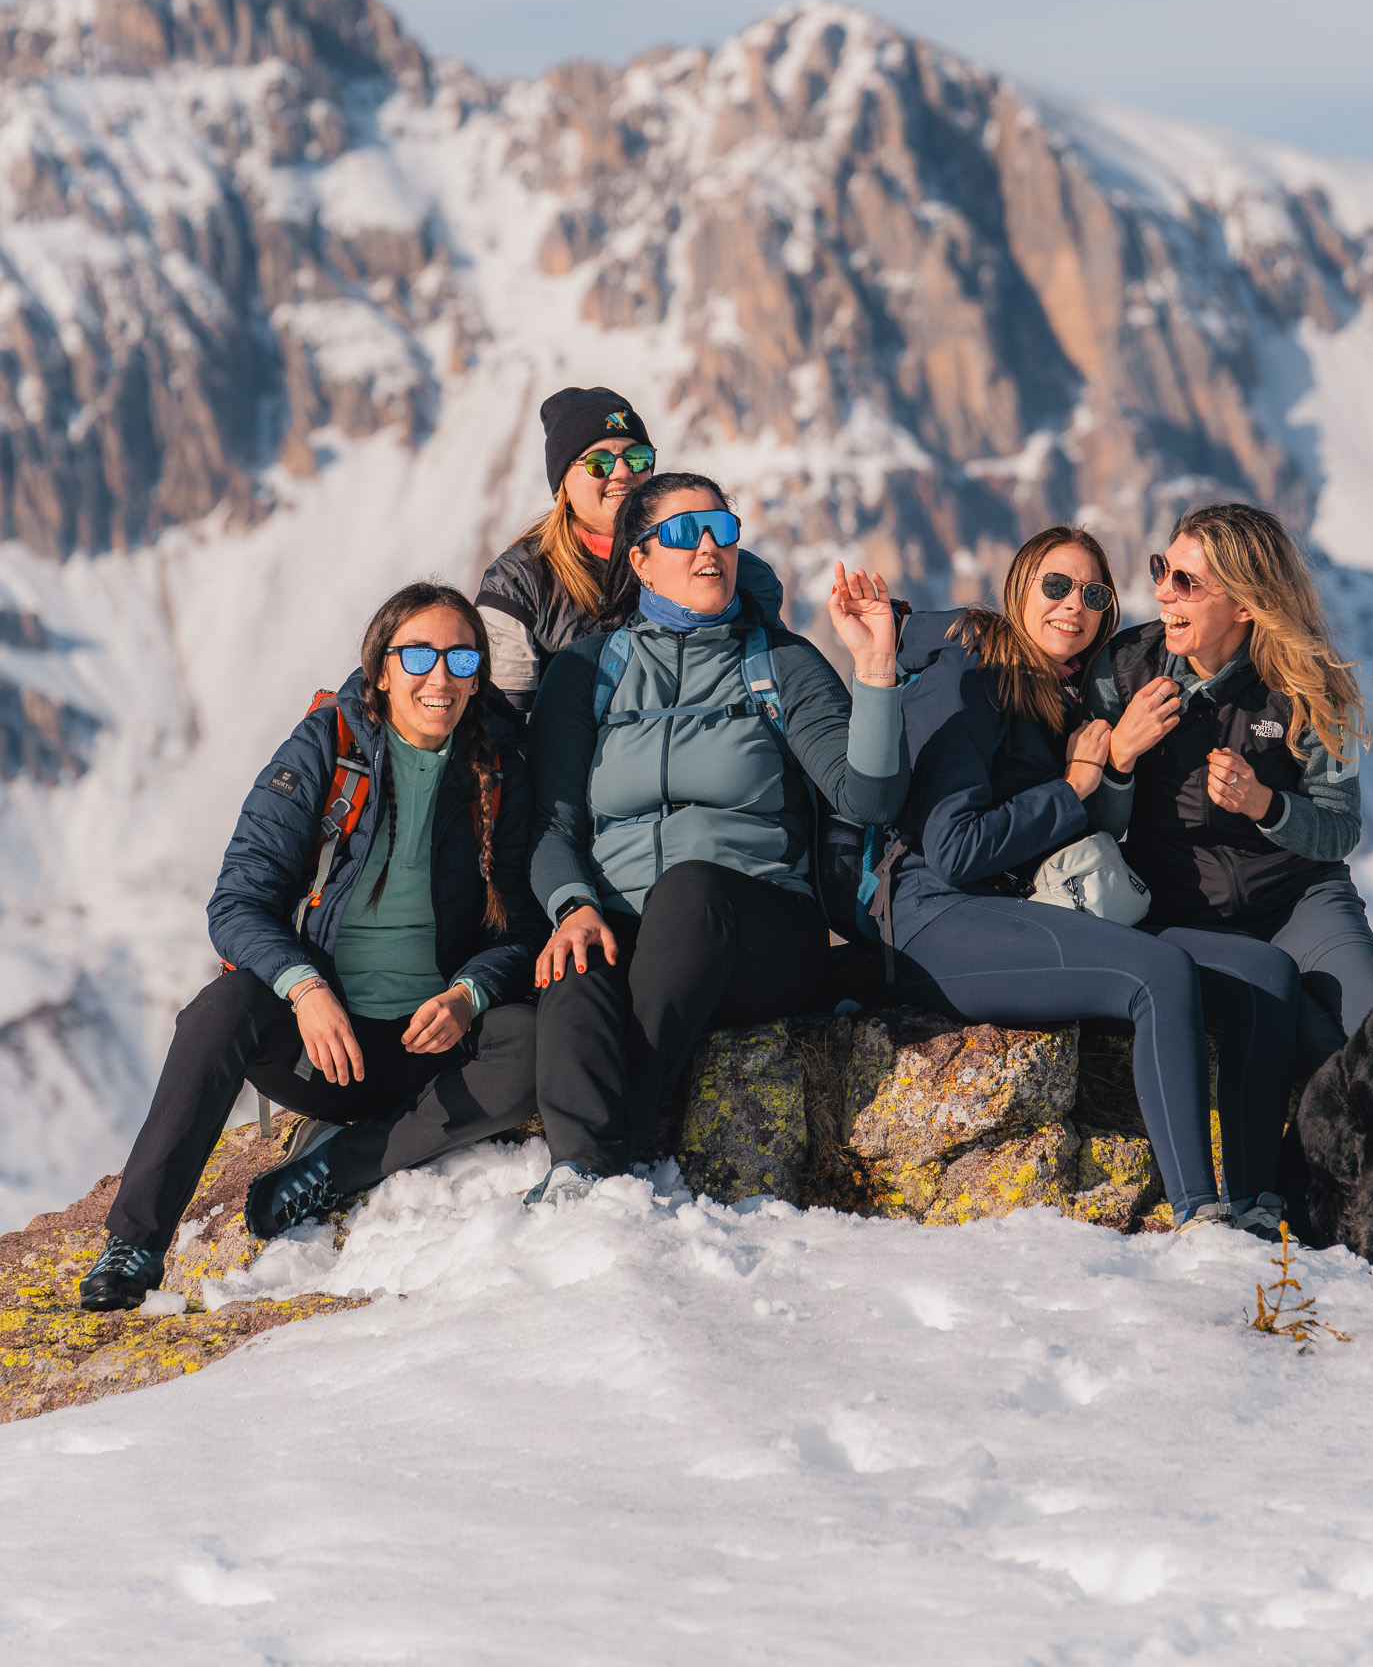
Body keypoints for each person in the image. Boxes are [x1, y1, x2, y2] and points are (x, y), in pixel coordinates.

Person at [1084, 499, 1373, 1266]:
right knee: (1329, 1054)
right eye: (1162, 570)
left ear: (1246, 601)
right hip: (1179, 910)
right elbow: (1090, 817)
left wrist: (1267, 805)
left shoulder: (1304, 685)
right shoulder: (1126, 670)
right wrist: (1121, 756)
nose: (1161, 591)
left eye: (1186, 580)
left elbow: (1338, 827)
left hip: (1300, 899)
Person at [78, 584, 547, 1311]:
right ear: (381, 668)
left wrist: (467, 995)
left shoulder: (499, 766)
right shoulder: (328, 745)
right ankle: (136, 1241)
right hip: (322, 1048)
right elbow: (237, 901)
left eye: (461, 657)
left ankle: (344, 1163)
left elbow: (519, 930)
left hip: (436, 1051)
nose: (441, 676)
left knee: (532, 1040)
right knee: (220, 1009)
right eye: (418, 654)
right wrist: (305, 988)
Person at [890, 526, 1298, 1237]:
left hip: (1038, 910)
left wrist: (1117, 763)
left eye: (1093, 594)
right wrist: (1076, 786)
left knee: (1266, 971)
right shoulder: (969, 673)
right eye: (1055, 585)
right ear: (1018, 586)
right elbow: (954, 849)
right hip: (939, 918)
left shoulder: (1070, 697)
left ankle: (1258, 1206)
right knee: (1157, 974)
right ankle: (1201, 1216)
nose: (1072, 605)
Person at [524, 472, 909, 1200]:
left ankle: (623, 1146)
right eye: (681, 532)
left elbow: (870, 795)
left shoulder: (780, 661)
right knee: (576, 961)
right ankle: (577, 1170)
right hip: (634, 936)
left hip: (758, 934)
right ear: (638, 558)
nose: (708, 546)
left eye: (722, 530)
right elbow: (550, 823)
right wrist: (573, 904)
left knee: (690, 888)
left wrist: (876, 666)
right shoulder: (586, 672)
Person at [475, 386, 657, 717]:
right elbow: (504, 723)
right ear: (563, 486)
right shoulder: (519, 582)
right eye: (598, 463)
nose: (622, 472)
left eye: (637, 457)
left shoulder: (686, 554)